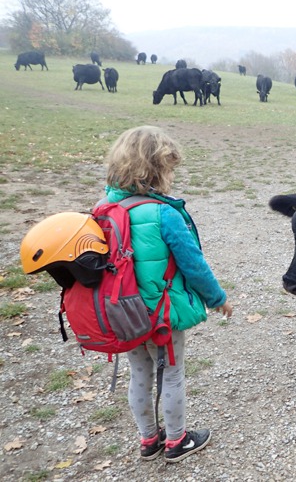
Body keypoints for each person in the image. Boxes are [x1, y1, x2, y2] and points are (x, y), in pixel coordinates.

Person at [104, 126, 233, 463]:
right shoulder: (166, 214)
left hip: (122, 313)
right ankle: (177, 441)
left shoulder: (103, 208)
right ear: (158, 170)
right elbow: (194, 265)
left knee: (140, 375)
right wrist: (218, 299)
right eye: (169, 168)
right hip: (161, 316)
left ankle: (148, 440)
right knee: (172, 374)